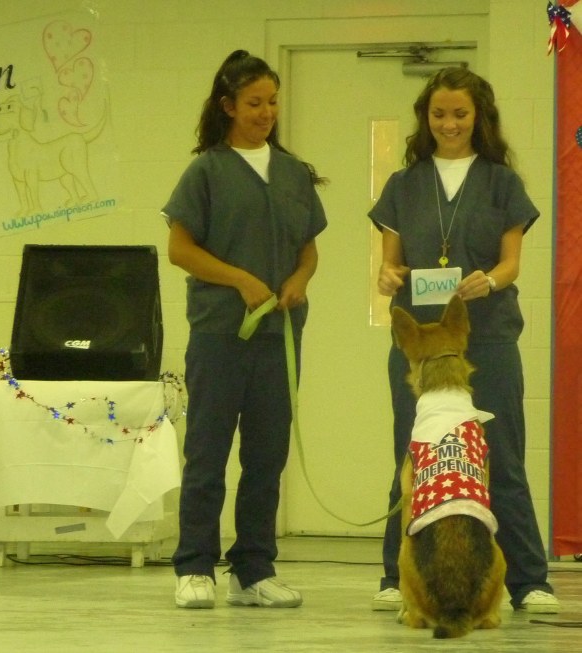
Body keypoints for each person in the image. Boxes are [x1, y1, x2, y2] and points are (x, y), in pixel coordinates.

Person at [368, 67, 560, 614]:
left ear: (480, 118)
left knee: (501, 454)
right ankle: (393, 574)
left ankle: (528, 579)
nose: (449, 124)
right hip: (420, 346)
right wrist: (386, 277)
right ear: (425, 119)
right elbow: (390, 263)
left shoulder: (502, 182)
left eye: (460, 114)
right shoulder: (403, 185)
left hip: (488, 338)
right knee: (415, 449)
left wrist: (491, 280)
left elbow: (512, 262)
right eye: (438, 114)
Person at [160, 49, 327, 609]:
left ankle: (253, 568)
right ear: (228, 106)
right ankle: (195, 566)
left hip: (279, 338)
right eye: (254, 103)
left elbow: (308, 249)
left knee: (266, 454)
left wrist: (299, 279)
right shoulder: (206, 170)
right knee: (208, 451)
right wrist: (241, 281)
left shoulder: (294, 174)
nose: (266, 112)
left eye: (273, 102)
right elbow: (179, 250)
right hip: (219, 334)